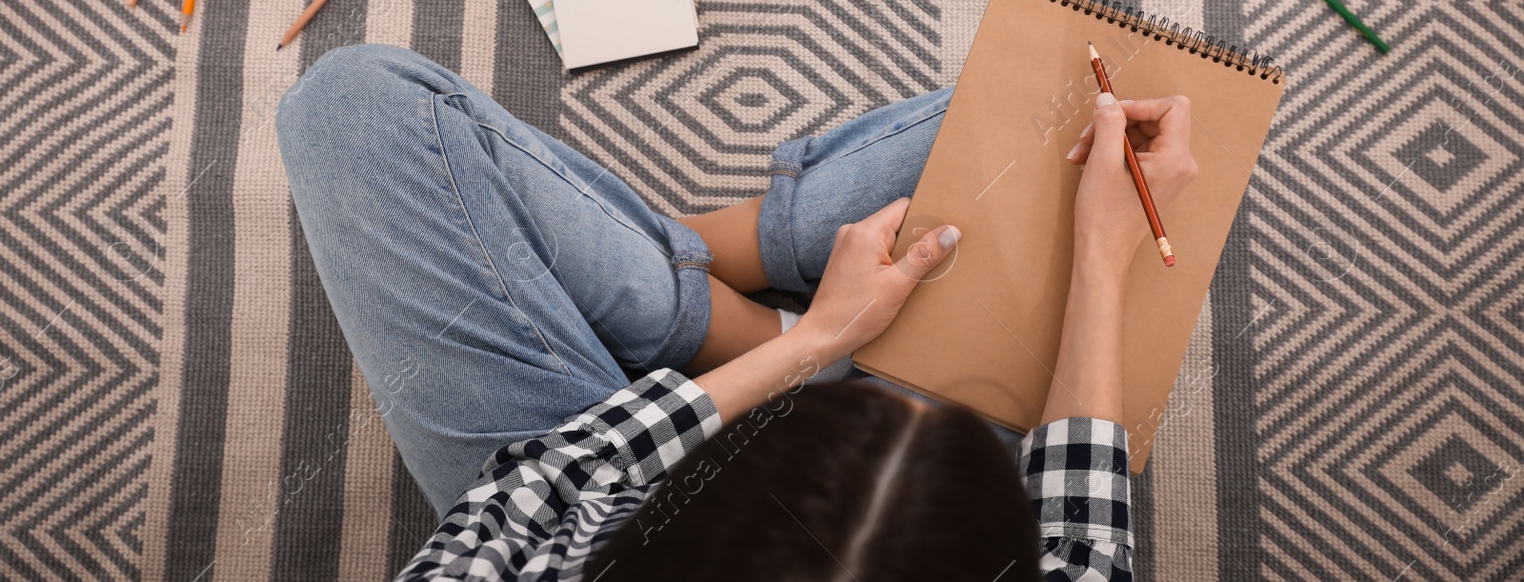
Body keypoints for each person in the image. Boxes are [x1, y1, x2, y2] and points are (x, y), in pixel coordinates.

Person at [276, 44, 1198, 581]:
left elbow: (553, 479)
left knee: (352, 108)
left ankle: (729, 301)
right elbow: (1084, 538)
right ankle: (721, 291)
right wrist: (1101, 264)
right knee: (1078, 109)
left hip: (605, 509)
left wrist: (819, 341)